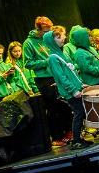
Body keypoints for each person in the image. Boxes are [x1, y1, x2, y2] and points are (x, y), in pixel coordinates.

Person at [41, 28, 90, 149]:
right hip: (70, 92)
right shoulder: (53, 58)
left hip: (76, 88)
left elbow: (71, 72)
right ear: (51, 41)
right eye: (58, 37)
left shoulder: (60, 54)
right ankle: (76, 140)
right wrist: (73, 90)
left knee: (81, 113)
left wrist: (80, 84)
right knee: (79, 113)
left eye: (62, 36)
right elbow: (61, 77)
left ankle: (79, 138)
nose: (63, 38)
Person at [23, 16, 69, 145]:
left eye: (50, 30)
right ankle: (56, 137)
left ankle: (67, 132)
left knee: (63, 105)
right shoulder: (29, 43)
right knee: (53, 108)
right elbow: (28, 63)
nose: (48, 33)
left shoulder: (48, 38)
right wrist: (46, 62)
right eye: (45, 30)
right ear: (38, 29)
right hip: (44, 78)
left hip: (57, 74)